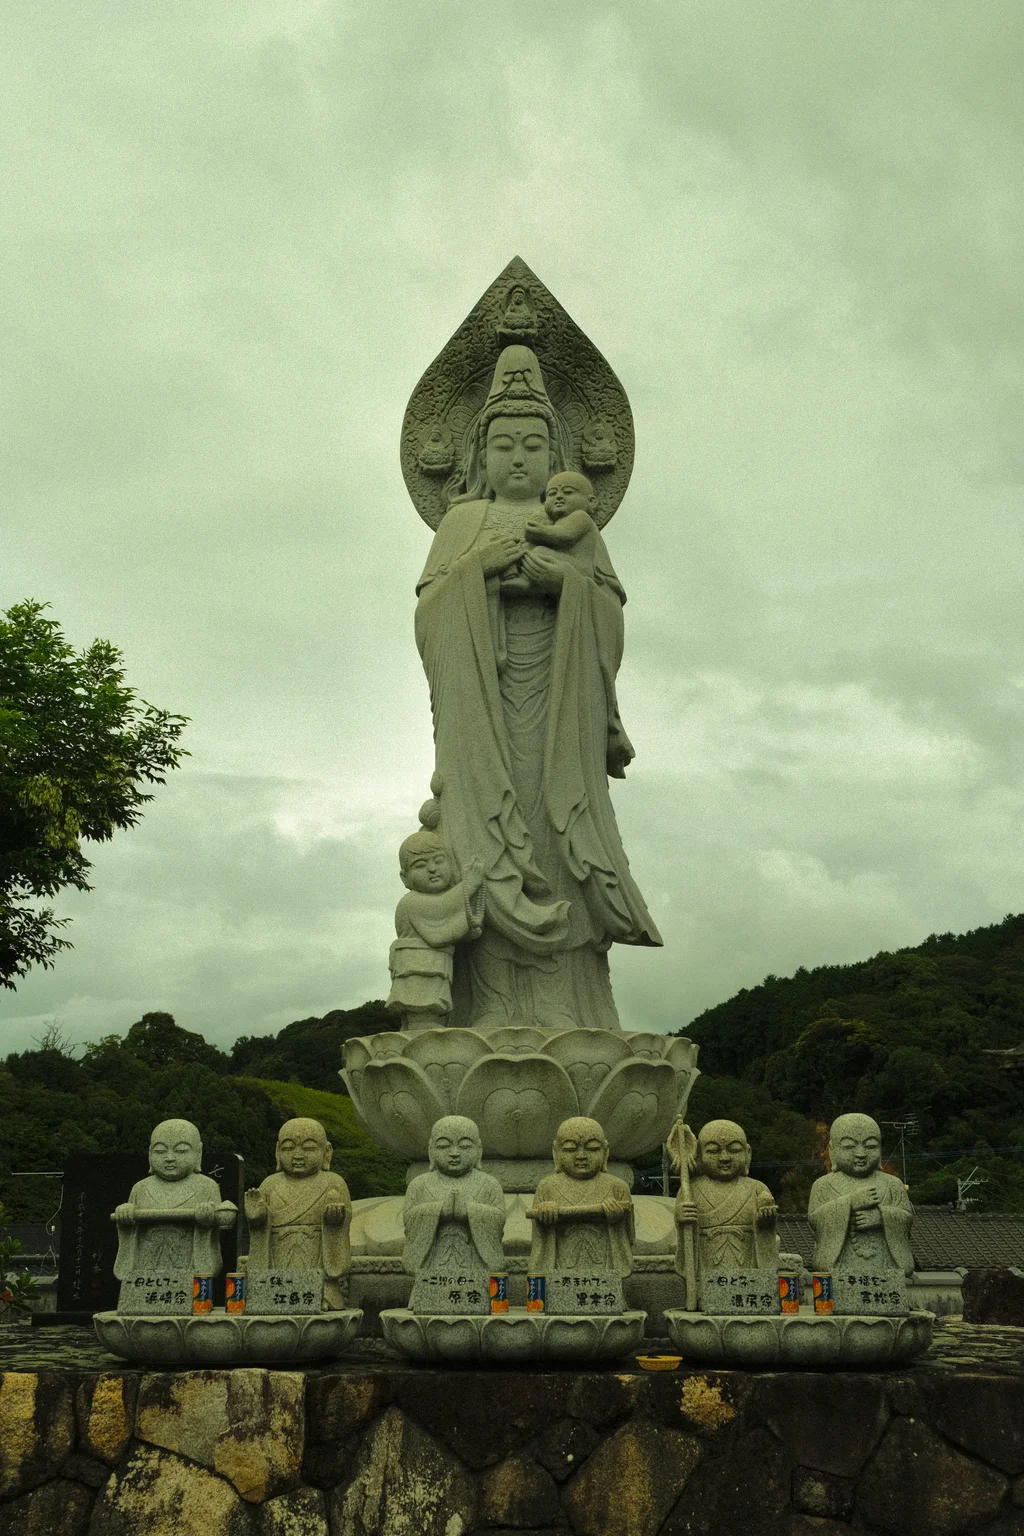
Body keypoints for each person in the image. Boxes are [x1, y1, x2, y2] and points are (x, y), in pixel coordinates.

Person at [415, 345, 661, 1031]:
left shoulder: (578, 531)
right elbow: (430, 614)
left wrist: (566, 585)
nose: (518, 458)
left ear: (557, 454)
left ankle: (578, 1005)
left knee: (558, 834)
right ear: (479, 455)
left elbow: (609, 610)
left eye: (533, 444)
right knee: (482, 835)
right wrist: (479, 573)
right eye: (503, 444)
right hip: (482, 716)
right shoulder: (463, 523)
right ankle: (485, 1007)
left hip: (560, 711)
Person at [402, 1116, 506, 1313]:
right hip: (434, 1267)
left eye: (465, 1146)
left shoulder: (489, 1184)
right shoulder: (419, 1184)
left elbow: (499, 1219)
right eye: (444, 1146)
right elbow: (409, 1219)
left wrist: (469, 1212)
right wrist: (438, 1211)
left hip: (475, 1266)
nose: (454, 1153)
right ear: (430, 1150)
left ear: (479, 1150)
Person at [244, 1118, 352, 1308]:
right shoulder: (270, 1184)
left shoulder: (333, 1182)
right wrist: (257, 1217)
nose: (298, 1155)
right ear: (277, 1152)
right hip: (279, 1253)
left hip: (316, 1255)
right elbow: (260, 1227)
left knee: (318, 1286)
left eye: (308, 1148)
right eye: (288, 1148)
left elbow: (342, 1224)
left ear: (326, 1151)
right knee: (277, 1285)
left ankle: (321, 1297)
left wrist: (334, 1220)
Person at [385, 831, 486, 1029]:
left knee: (431, 1003)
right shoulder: (412, 902)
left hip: (434, 964)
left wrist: (470, 926)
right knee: (420, 1003)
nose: (432, 869)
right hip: (418, 964)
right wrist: (469, 886)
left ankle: (421, 1025)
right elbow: (442, 911)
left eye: (439, 861)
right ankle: (420, 1026)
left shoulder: (430, 901)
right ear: (404, 878)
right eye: (420, 865)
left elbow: (448, 926)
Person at [112, 1119, 235, 1280]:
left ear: (198, 1153)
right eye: (160, 1151)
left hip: (188, 1263)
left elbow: (221, 1222)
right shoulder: (140, 1188)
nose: (169, 1158)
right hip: (148, 1268)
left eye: (181, 1150)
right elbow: (130, 1232)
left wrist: (207, 1218)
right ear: (150, 1154)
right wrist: (125, 1215)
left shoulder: (207, 1186)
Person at [808, 1113, 914, 1277]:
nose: (861, 1153)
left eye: (870, 1146)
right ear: (832, 1150)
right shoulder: (822, 1185)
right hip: (842, 1265)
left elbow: (907, 1218)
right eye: (849, 1147)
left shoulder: (893, 1184)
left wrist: (881, 1217)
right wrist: (849, 1202)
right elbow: (815, 1220)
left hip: (885, 1265)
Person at [528, 1116, 634, 1277]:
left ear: (605, 1151)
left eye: (592, 1149)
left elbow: (630, 1236)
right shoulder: (547, 1186)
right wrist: (543, 1217)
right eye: (570, 1149)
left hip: (603, 1267)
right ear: (556, 1152)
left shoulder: (617, 1187)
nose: (581, 1156)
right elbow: (539, 1239)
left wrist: (618, 1220)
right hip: (562, 1267)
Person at [674, 1120, 777, 1279]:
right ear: (699, 1155)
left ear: (747, 1153)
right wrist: (681, 1218)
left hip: (747, 1267)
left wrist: (765, 1220)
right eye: (713, 1151)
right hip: (707, 1266)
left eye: (734, 1150)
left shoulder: (756, 1188)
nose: (724, 1157)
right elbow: (685, 1236)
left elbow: (766, 1235)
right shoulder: (690, 1190)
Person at [522, 471, 601, 578]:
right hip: (561, 559)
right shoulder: (553, 522)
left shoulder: (580, 516)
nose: (558, 496)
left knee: (539, 551)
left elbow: (567, 536)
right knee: (526, 547)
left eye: (568, 492)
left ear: (591, 501)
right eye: (552, 493)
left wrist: (541, 530)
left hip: (580, 568)